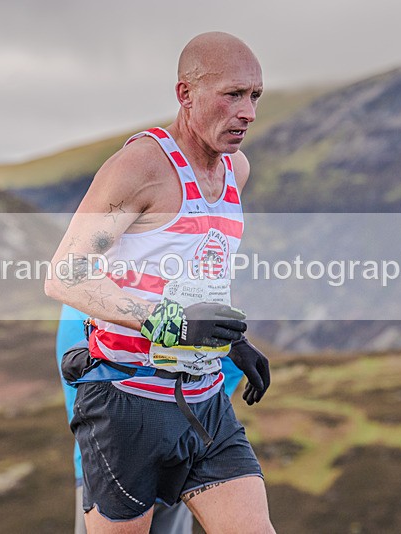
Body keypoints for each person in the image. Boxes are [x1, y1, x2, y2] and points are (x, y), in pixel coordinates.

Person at [45, 32, 274, 533]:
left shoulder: (235, 170)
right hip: (127, 400)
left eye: (255, 96)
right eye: (232, 94)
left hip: (204, 400)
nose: (248, 112)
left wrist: (232, 345)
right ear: (185, 94)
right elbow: (64, 275)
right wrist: (169, 323)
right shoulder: (142, 167)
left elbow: (200, 267)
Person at [54, 303, 247, 534]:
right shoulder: (179, 291)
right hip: (179, 454)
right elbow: (228, 364)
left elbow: (78, 385)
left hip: (105, 460)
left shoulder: (83, 302)